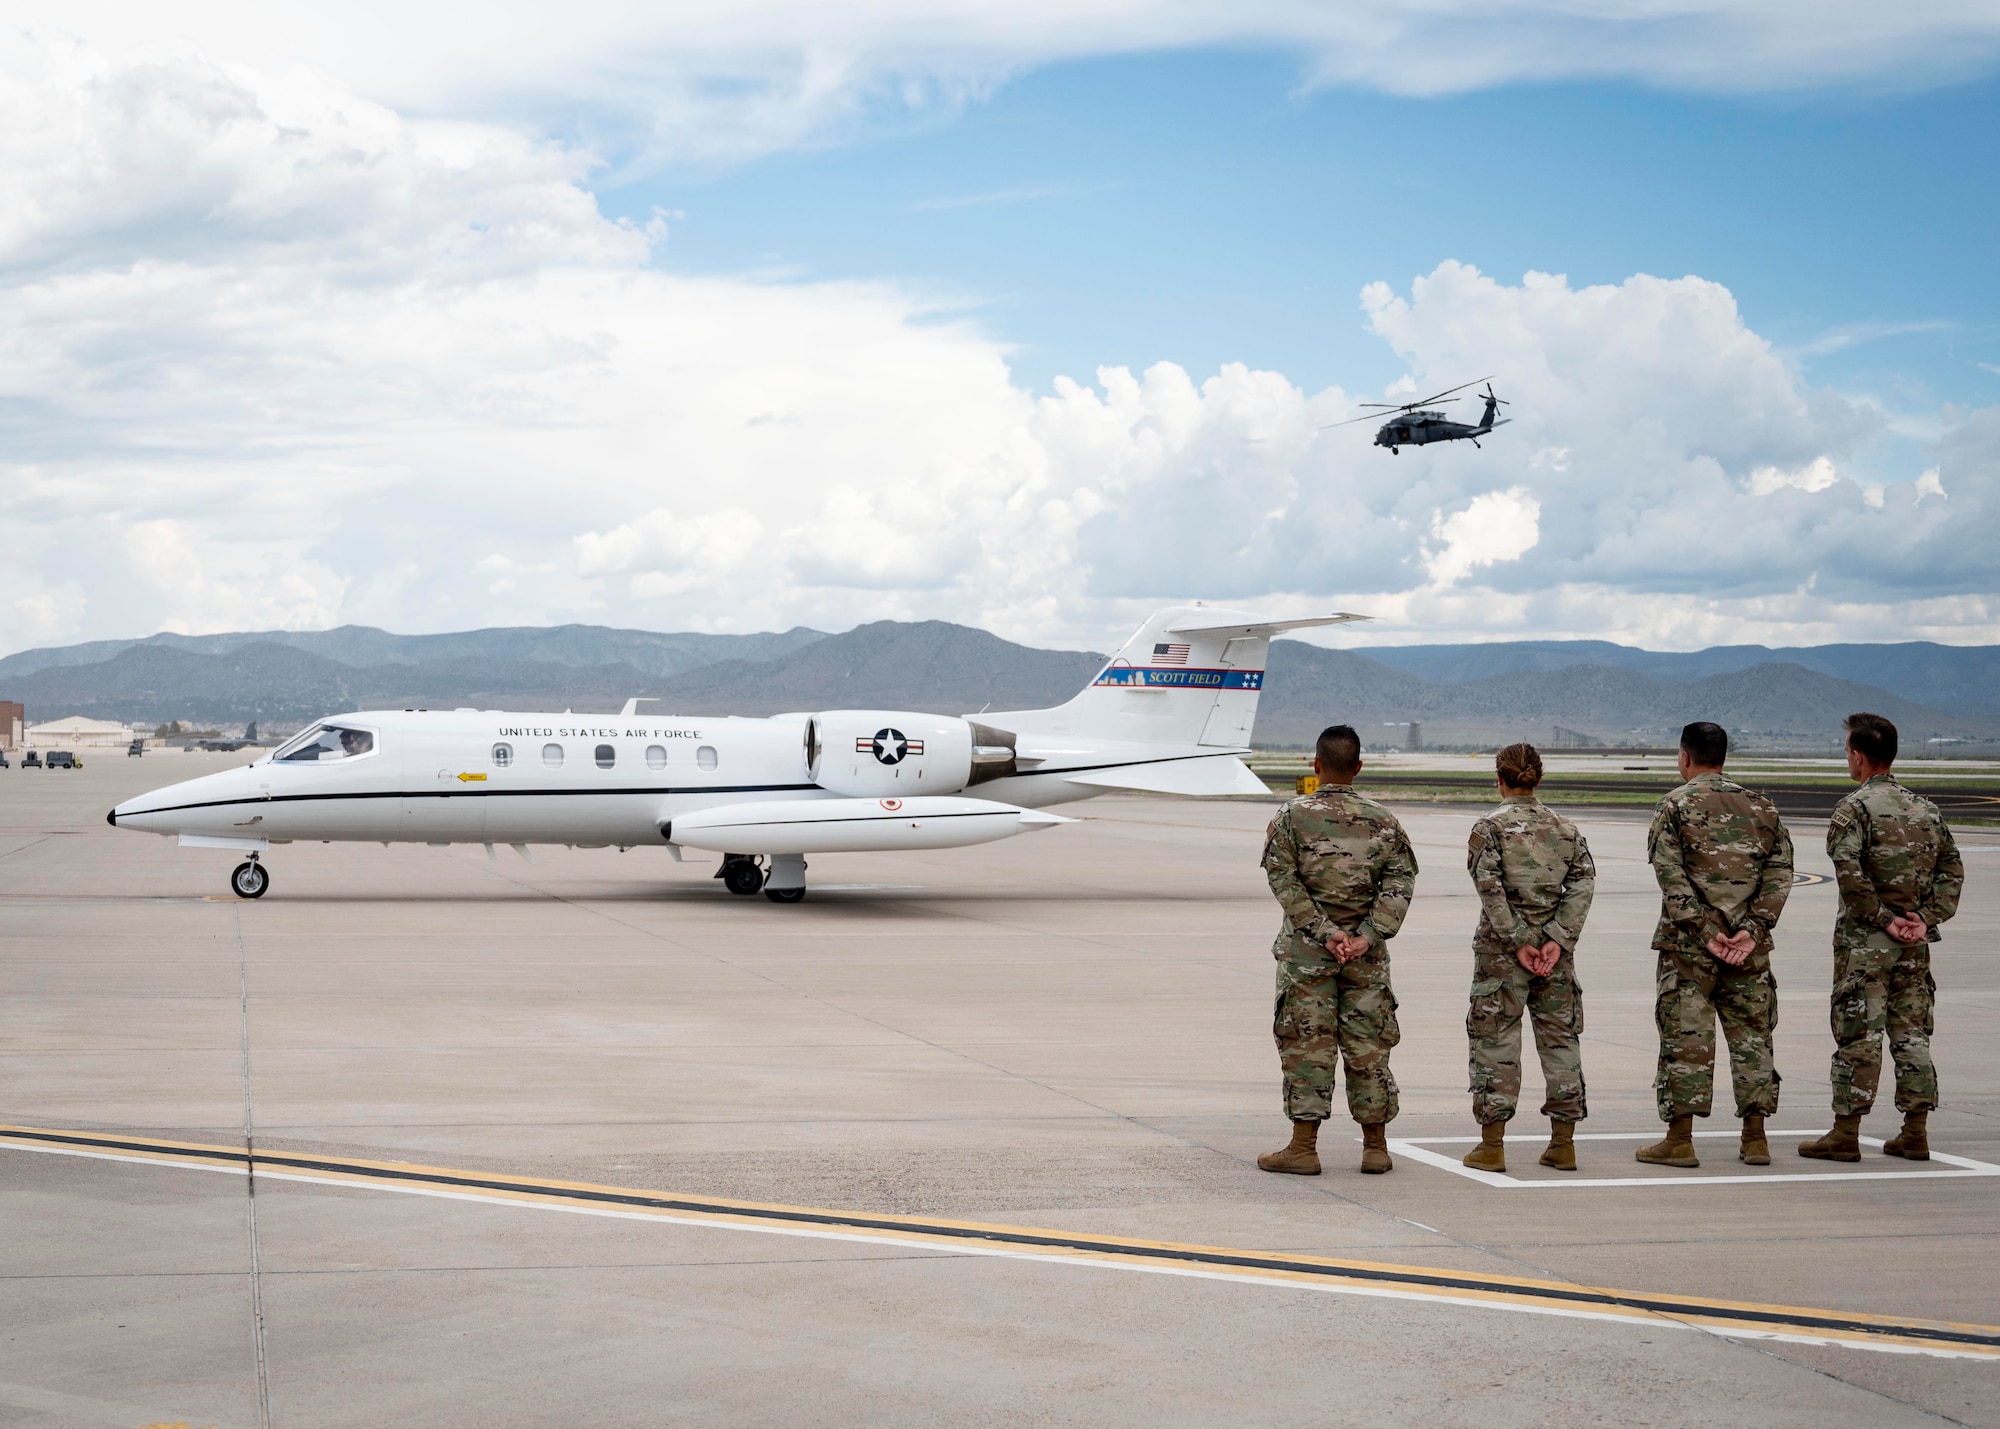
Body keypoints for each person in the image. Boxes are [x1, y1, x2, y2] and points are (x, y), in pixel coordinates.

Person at [1799, 713, 1964, 1163]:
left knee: (1859, 1036)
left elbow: (1849, 872)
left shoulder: (1854, 808)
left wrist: (1880, 919)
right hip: (1913, 944)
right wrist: (1924, 919)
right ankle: (1915, 1131)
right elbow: (1952, 871)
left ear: (1858, 756)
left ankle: (1846, 1133)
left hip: (1866, 946)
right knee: (1912, 1036)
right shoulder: (1926, 809)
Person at [1258, 724, 1418, 1176]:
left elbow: (1283, 881)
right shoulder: (1384, 820)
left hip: (1308, 955)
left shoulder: (1291, 816)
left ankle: (1303, 1148)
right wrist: (1367, 934)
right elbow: (1400, 883)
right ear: (1359, 767)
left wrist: (1325, 933)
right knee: (1368, 1044)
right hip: (1365, 957)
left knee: (1307, 1043)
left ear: (1316, 765)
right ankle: (1375, 1148)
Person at [1639, 721, 1794, 1168]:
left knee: (1688, 1038)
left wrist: (1708, 932)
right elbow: (1781, 874)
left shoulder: (1674, 805)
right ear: (1723, 757)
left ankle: (1681, 1139)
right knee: (1753, 1039)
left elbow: (1671, 878)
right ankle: (1755, 1137)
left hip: (1690, 949)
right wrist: (1753, 930)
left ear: (1685, 757)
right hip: (1748, 949)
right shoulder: (1762, 806)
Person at [1461, 743, 1595, 1175]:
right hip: (1555, 957)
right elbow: (1582, 884)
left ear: (1499, 780)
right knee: (1560, 1042)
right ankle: (1563, 1143)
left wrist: (1518, 939)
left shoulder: (1489, 827)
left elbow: (1490, 887)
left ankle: (1492, 1146)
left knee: (1496, 1042)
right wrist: (1556, 938)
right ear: (1538, 779)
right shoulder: (1566, 828)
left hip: (1502, 956)